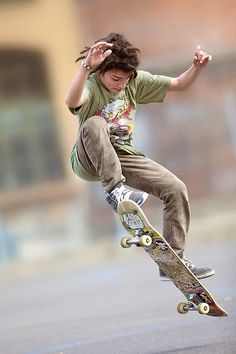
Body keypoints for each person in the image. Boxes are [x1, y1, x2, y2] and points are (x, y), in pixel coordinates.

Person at [66, 33, 215, 281]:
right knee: (93, 123)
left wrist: (196, 68)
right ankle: (116, 192)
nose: (120, 85)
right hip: (88, 157)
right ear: (102, 70)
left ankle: (172, 261)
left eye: (125, 80)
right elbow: (72, 101)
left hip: (122, 157)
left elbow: (180, 84)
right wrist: (85, 68)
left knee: (175, 188)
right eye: (115, 79)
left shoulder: (134, 82)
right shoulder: (91, 84)